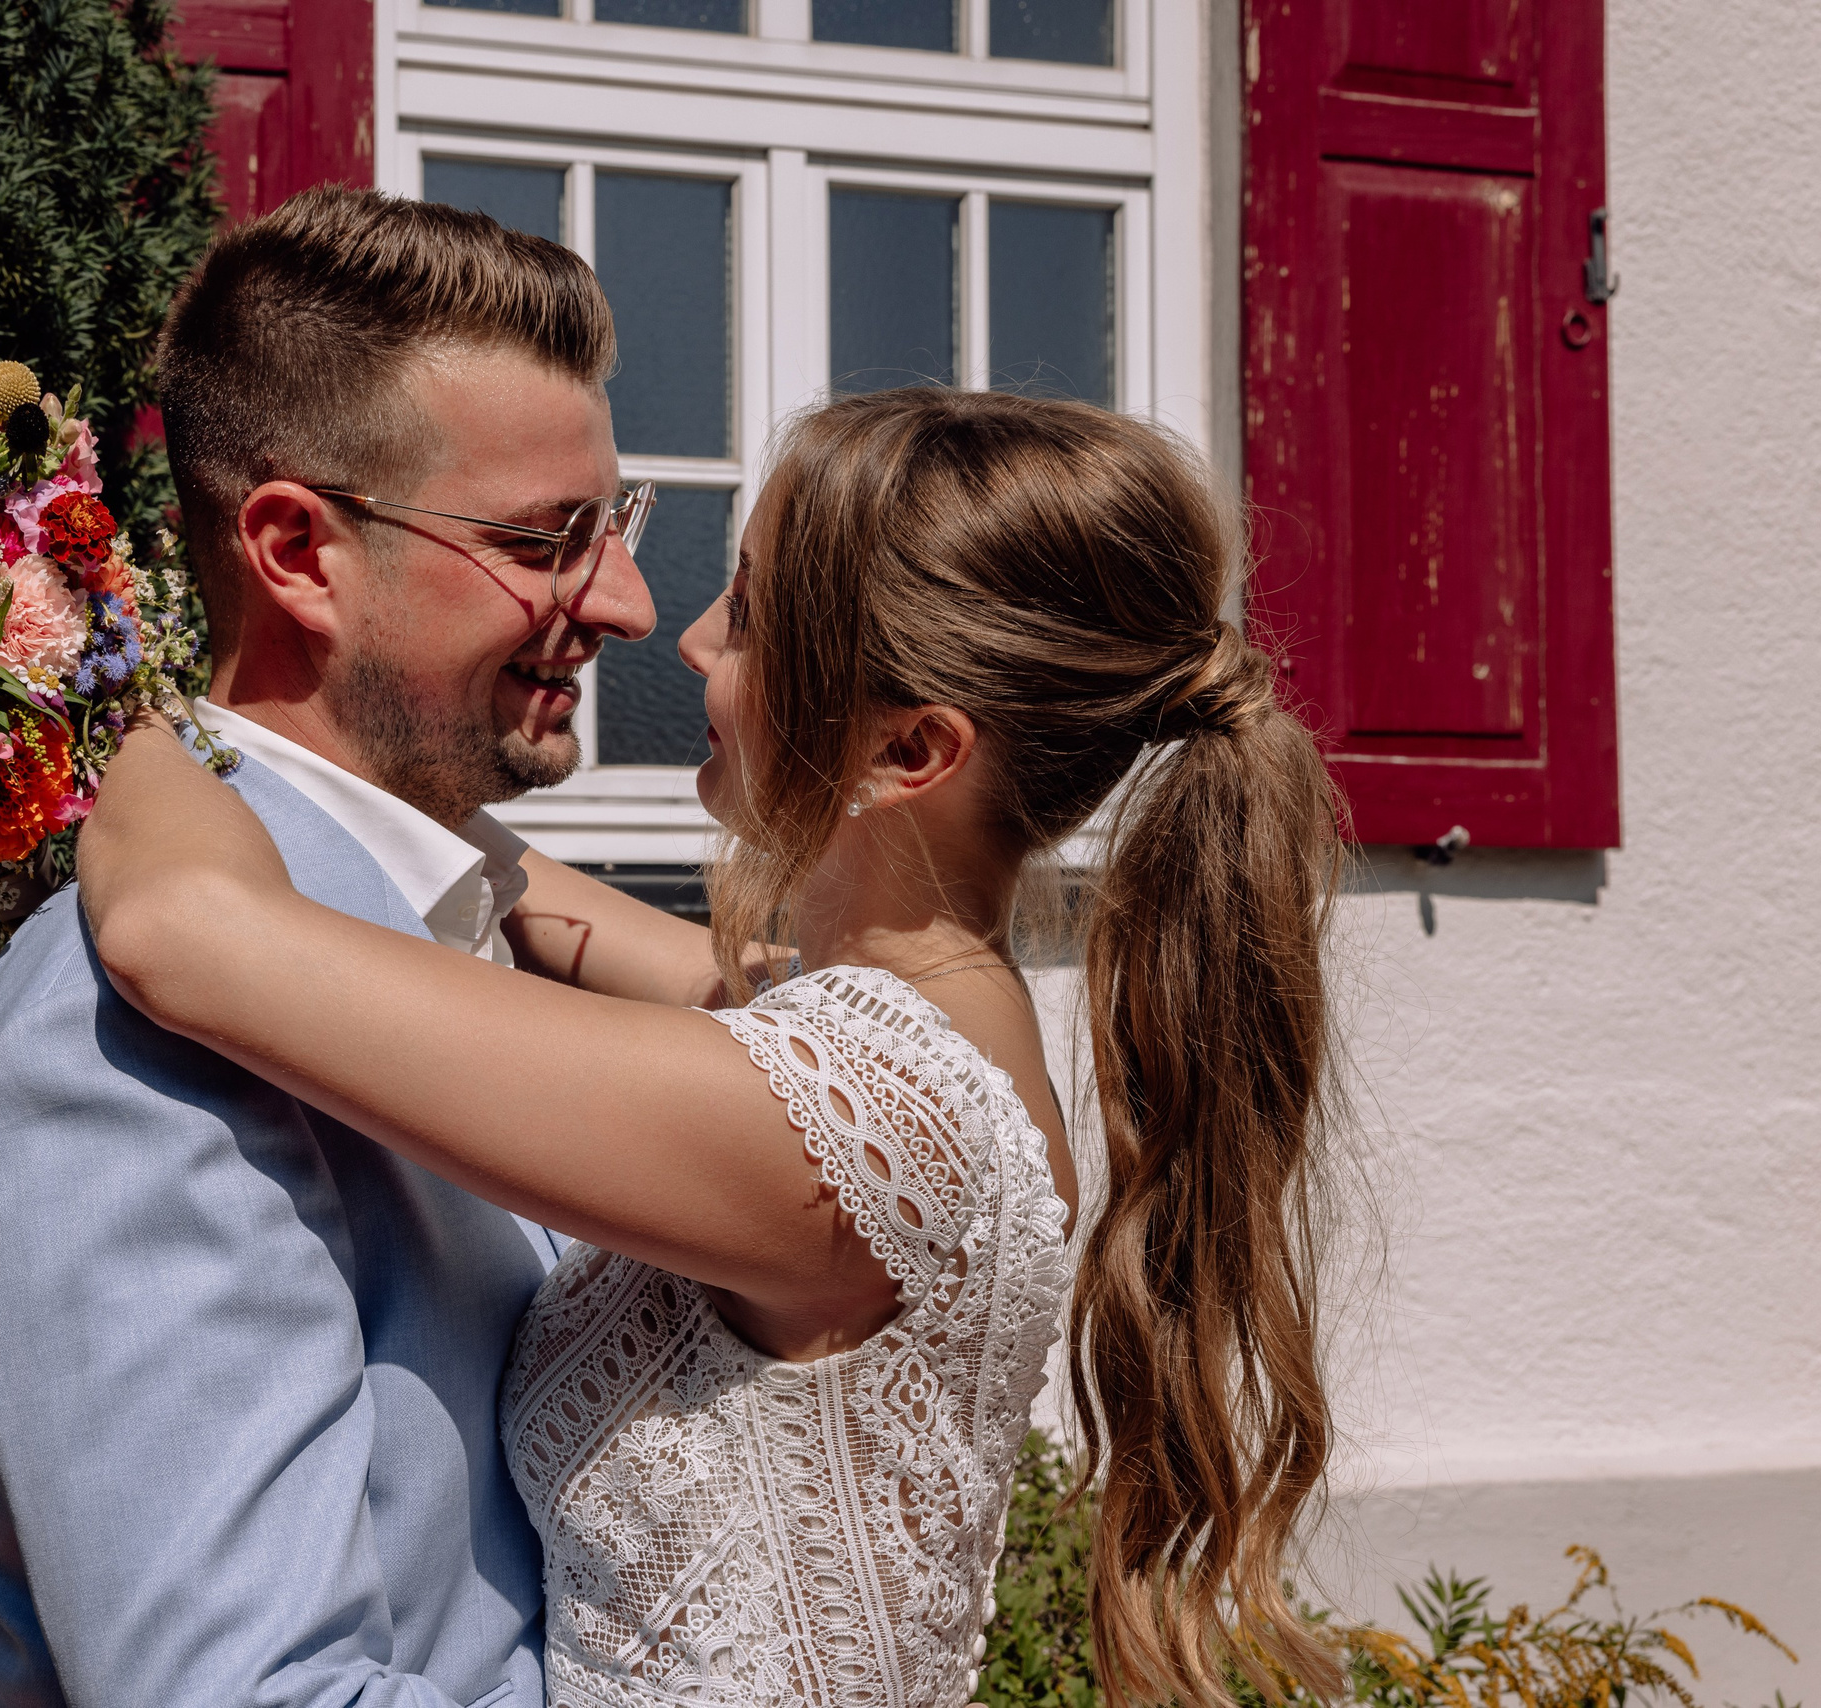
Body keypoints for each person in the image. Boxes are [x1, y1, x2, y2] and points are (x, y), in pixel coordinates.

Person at [77, 386, 1352, 1708]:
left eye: (745, 614)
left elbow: (181, 929)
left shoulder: (864, 1126)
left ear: (908, 748)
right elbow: (520, 896)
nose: (686, 641)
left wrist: (96, 685)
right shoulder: (905, 1035)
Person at [0, 186, 662, 1707]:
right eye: (545, 539)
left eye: (617, 523)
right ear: (296, 551)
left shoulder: (453, 922)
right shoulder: (129, 1044)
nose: (630, 604)